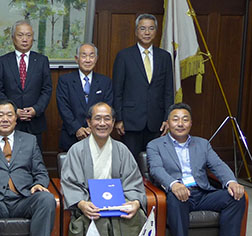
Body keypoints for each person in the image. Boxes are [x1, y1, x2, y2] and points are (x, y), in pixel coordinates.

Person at [147, 103, 246, 236]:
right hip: (178, 193)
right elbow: (156, 169)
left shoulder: (202, 144)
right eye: (175, 119)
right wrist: (173, 184)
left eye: (185, 119)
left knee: (235, 197)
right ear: (167, 123)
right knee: (177, 199)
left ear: (191, 123)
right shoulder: (155, 145)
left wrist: (231, 182)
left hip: (202, 193)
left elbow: (218, 165)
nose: (180, 124)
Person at [0, 99, 56, 236]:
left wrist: (38, 184)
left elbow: (41, 171)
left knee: (46, 199)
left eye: (9, 115)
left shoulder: (30, 140)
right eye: (0, 115)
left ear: (16, 118)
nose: (5, 119)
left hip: (24, 198)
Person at [61, 102, 146, 235]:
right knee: (99, 219)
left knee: (136, 216)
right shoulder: (77, 150)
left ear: (113, 123)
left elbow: (133, 181)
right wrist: (82, 204)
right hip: (90, 204)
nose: (102, 123)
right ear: (89, 122)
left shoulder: (122, 150)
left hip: (119, 203)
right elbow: (70, 183)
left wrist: (135, 202)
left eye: (107, 119)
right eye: (97, 118)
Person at [112, 13, 173, 159]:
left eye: (151, 28)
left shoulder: (165, 57)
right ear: (136, 31)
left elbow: (168, 90)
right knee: (130, 162)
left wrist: (167, 118)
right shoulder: (124, 56)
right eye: (143, 28)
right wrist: (119, 118)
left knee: (154, 162)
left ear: (156, 31)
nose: (147, 32)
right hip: (130, 121)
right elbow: (117, 89)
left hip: (156, 121)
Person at [0, 20, 52, 150]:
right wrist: (13, 111)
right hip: (9, 121)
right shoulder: (2, 61)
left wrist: (36, 109)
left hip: (35, 121)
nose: (24, 39)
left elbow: (46, 89)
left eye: (28, 35)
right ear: (13, 38)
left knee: (34, 161)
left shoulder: (42, 61)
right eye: (20, 35)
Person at [56, 43, 113, 151]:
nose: (88, 60)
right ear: (76, 59)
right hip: (71, 136)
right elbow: (63, 107)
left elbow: (108, 107)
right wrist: (77, 128)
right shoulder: (65, 81)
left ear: (96, 59)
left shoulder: (105, 82)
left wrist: (93, 128)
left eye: (91, 56)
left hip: (98, 135)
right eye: (84, 56)